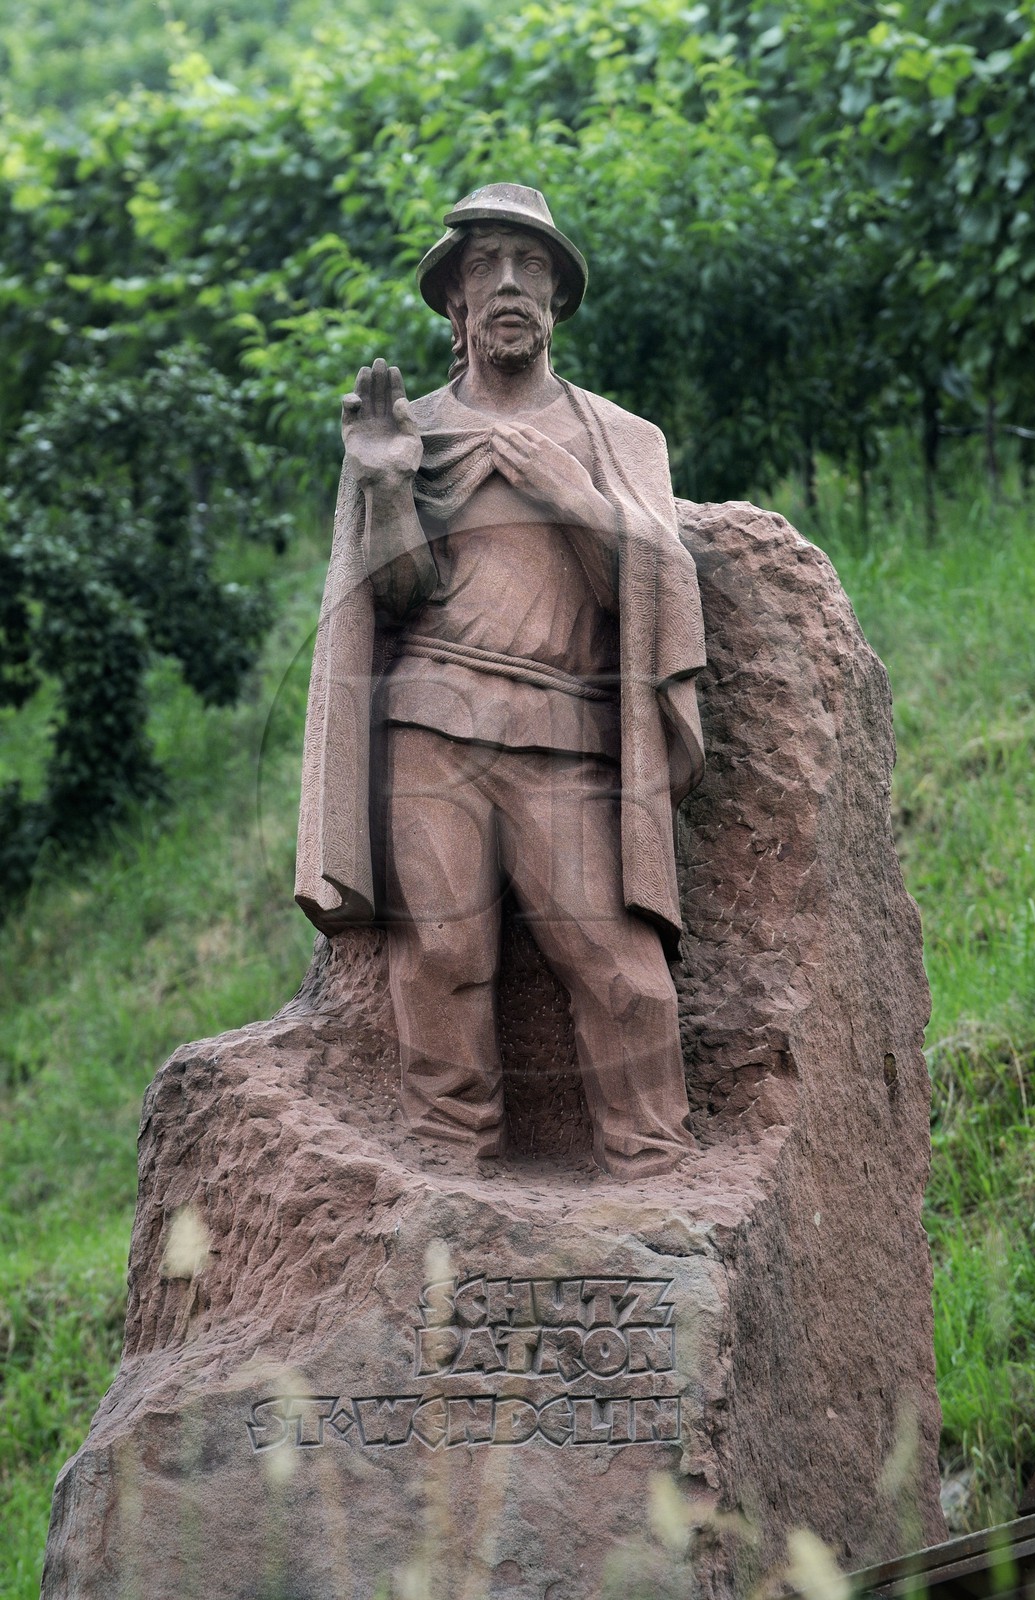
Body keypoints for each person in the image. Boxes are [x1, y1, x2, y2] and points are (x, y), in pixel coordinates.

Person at [295, 183, 706, 1178]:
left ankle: (655, 1172)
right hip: (430, 724)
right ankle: (445, 1178)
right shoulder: (411, 429)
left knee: (619, 970)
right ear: (454, 304)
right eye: (486, 268)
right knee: (440, 961)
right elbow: (391, 598)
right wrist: (387, 483)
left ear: (559, 299)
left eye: (532, 269)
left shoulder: (620, 439)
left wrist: (577, 501)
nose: (510, 286)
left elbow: (648, 592)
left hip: (563, 733)